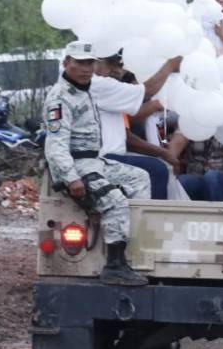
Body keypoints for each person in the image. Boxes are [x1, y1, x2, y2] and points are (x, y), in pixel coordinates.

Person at [45, 41, 152, 285]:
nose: (85, 68)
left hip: (94, 161)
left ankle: (133, 252)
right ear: (66, 63)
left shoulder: (87, 88)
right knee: (114, 201)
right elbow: (56, 144)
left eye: (90, 63)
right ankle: (114, 265)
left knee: (139, 177)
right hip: (76, 165)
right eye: (79, 63)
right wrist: (71, 177)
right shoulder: (61, 98)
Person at [92, 52, 179, 199]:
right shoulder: (99, 85)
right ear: (94, 62)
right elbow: (147, 91)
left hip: (111, 156)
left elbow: (126, 138)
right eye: (111, 63)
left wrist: (162, 153)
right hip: (104, 158)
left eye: (120, 64)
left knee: (158, 166)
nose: (117, 70)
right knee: (157, 169)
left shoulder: (107, 92)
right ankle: (154, 219)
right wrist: (171, 64)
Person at [168, 132, 223, 201]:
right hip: (199, 177)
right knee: (183, 181)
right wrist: (171, 160)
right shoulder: (192, 122)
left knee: (212, 176)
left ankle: (221, 212)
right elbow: (174, 149)